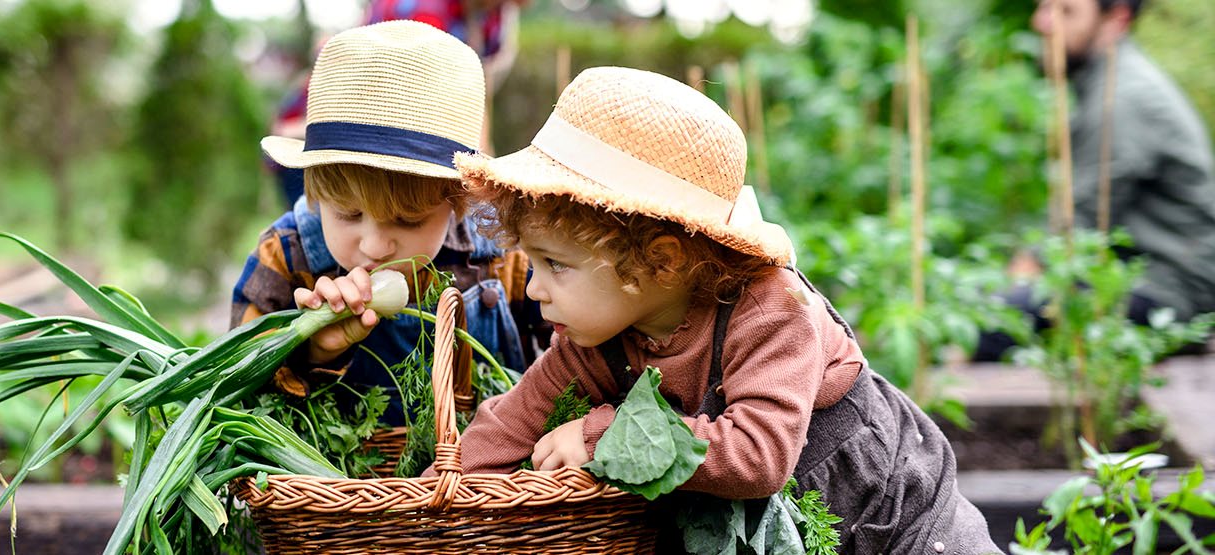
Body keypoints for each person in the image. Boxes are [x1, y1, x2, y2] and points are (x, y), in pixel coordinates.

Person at [448, 67, 1000, 553]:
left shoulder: (771, 310)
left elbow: (758, 456)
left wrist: (601, 437)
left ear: (659, 264)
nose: (534, 288)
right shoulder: (593, 339)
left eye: (554, 265)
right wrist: (434, 504)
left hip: (891, 518)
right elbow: (512, 421)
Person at [231, 21, 546, 423]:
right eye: (348, 214)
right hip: (339, 487)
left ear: (458, 201)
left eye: (408, 220)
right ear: (315, 193)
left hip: (485, 482)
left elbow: (577, 356)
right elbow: (236, 391)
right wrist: (312, 349)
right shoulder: (287, 258)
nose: (375, 246)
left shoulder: (504, 254)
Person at [976, 0, 1215, 360]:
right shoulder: (1112, 80)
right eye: (1044, 7)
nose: (1042, 22)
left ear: (1116, 18)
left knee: (992, 325)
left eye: (1066, 11)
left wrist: (1000, 298)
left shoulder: (1123, 99)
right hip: (1143, 281)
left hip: (1170, 295)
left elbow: (1074, 227)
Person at [268, 0, 529, 209]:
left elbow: (474, 90)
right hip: (335, 136)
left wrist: (482, 163)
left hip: (393, 142)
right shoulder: (423, 10)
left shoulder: (491, 16)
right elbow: (414, 96)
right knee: (331, 237)